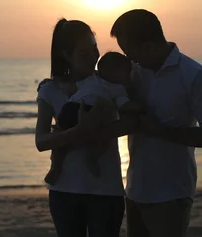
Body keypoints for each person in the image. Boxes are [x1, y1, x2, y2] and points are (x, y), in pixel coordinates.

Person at [80, 9, 202, 237]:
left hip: (171, 193)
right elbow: (99, 83)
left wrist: (160, 131)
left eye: (131, 53)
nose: (128, 60)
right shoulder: (134, 72)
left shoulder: (196, 77)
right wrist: (59, 82)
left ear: (148, 46)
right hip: (135, 189)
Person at [35, 18, 135, 237]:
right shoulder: (50, 90)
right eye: (83, 53)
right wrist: (78, 132)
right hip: (64, 191)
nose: (93, 57)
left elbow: (131, 121)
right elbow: (41, 141)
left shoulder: (109, 83)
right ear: (66, 55)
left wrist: (90, 133)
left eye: (94, 49)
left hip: (106, 189)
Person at [44, 51, 143, 184]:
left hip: (69, 109)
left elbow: (69, 87)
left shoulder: (91, 78)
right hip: (89, 112)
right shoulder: (118, 89)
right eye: (127, 73)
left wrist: (54, 82)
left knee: (62, 139)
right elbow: (124, 106)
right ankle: (92, 157)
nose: (129, 76)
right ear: (115, 73)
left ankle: (56, 166)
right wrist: (140, 107)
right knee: (102, 140)